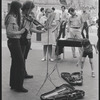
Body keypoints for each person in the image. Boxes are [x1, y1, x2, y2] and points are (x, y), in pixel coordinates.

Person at [5, 1, 28, 92]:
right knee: (20, 64)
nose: (20, 10)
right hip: (14, 41)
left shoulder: (11, 17)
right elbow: (9, 32)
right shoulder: (11, 18)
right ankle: (18, 86)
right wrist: (20, 32)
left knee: (15, 63)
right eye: (19, 8)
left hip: (14, 41)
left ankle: (13, 84)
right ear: (16, 8)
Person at [21, 1, 45, 78]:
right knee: (21, 58)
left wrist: (39, 31)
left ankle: (24, 72)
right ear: (26, 9)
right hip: (22, 39)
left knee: (24, 57)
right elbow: (21, 28)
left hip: (28, 39)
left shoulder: (29, 17)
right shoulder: (21, 16)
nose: (31, 11)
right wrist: (26, 19)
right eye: (30, 9)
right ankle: (21, 73)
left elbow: (30, 28)